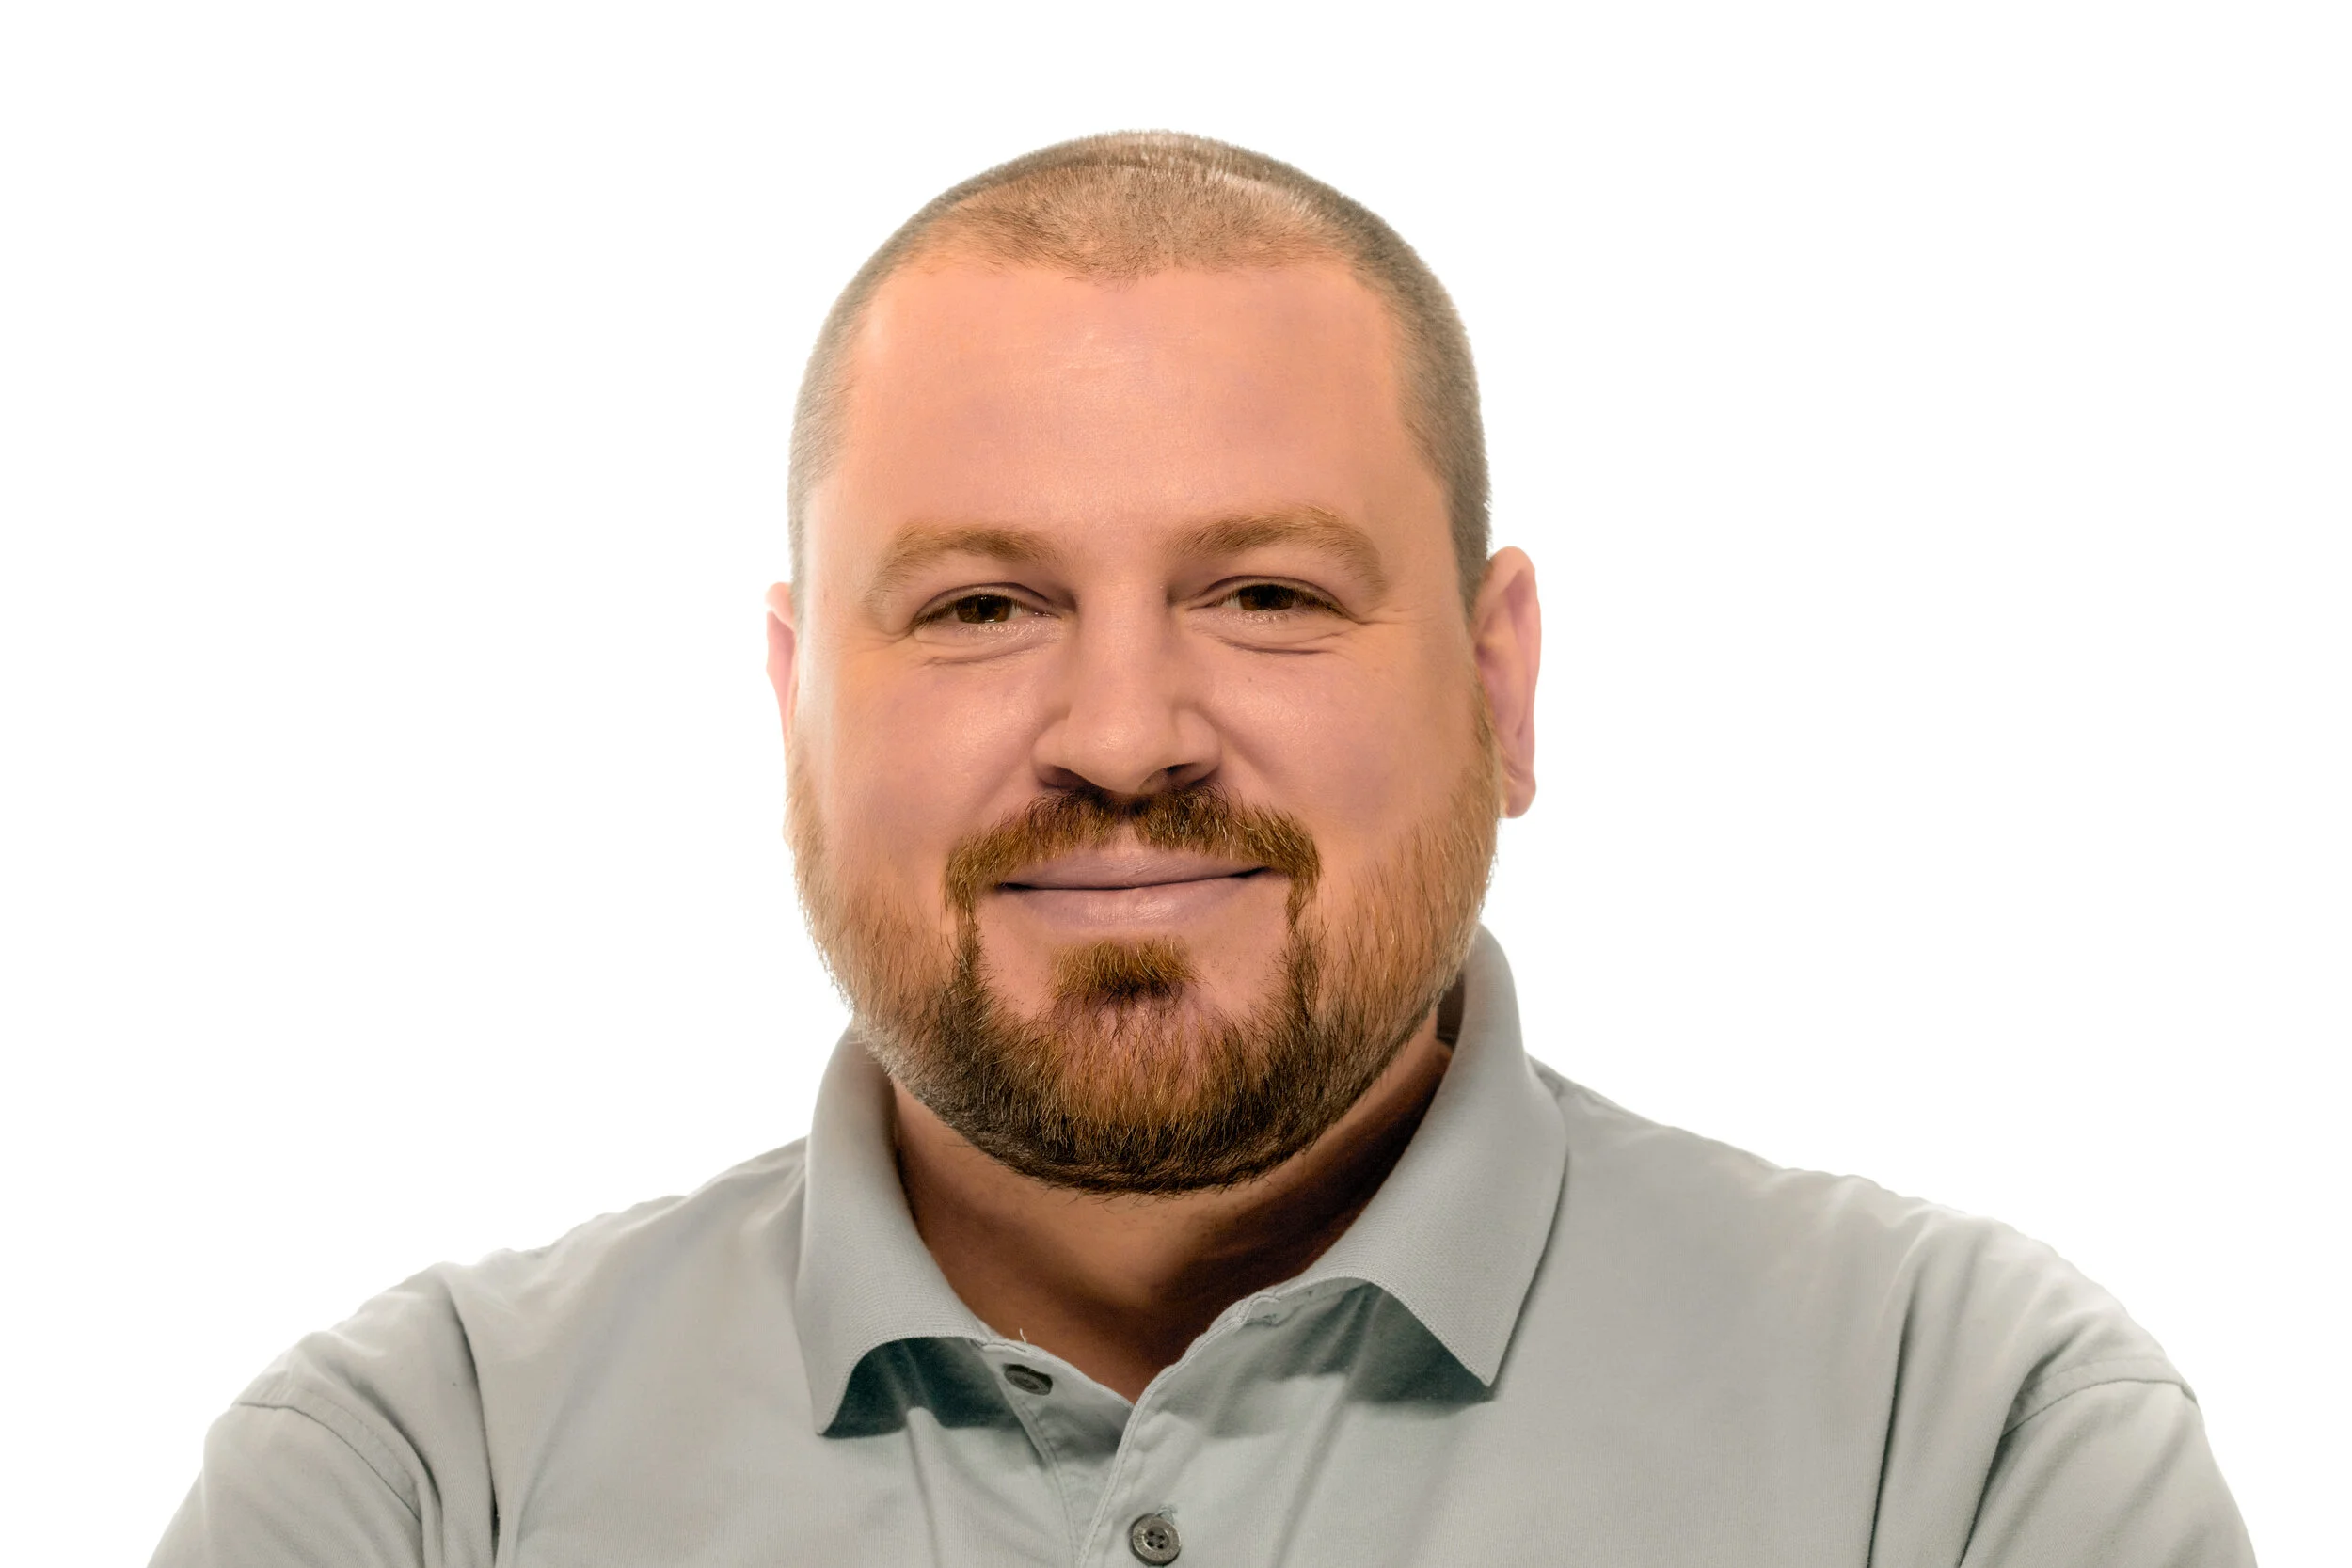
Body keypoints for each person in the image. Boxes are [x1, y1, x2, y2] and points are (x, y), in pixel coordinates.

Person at [151, 132, 2253, 1567]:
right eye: (979, 604)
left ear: (1499, 683)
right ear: (791, 703)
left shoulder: (1959, 1436)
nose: (1125, 734)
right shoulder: (423, 1476)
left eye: (1263, 592)